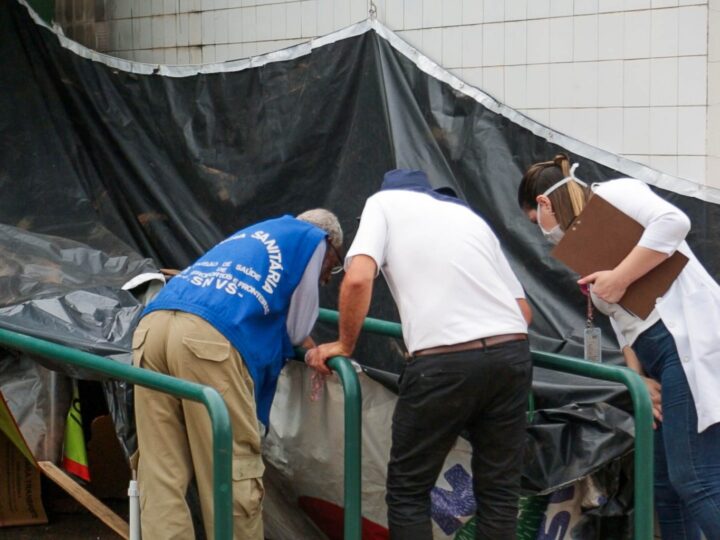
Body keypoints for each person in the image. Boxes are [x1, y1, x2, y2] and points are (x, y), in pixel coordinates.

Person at [306, 169, 533, 540]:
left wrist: (345, 345)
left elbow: (359, 277)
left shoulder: (383, 203)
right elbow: (523, 311)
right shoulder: (469, 216)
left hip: (443, 362)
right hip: (510, 354)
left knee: (409, 490)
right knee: (499, 491)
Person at [517, 154, 720, 540]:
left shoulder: (614, 194)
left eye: (534, 222)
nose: (541, 232)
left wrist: (619, 278)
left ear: (544, 204)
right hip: (657, 359)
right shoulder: (586, 245)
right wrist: (634, 377)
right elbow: (623, 324)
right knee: (663, 485)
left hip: (687, 342)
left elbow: (675, 222)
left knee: (695, 478)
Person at [132, 209, 344, 540]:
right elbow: (297, 327)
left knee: (160, 470)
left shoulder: (258, 231)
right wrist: (315, 349)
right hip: (206, 339)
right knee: (230, 471)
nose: (328, 276)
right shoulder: (311, 240)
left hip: (154, 324)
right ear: (330, 243)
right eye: (333, 265)